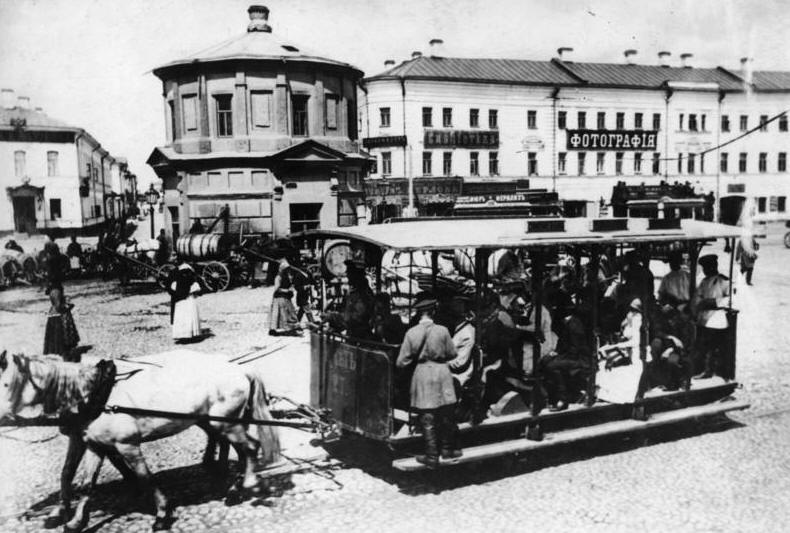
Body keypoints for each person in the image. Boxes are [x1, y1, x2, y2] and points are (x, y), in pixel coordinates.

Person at [396, 297, 461, 467]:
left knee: (428, 417)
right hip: (442, 373)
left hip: (423, 374)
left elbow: (401, 362)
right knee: (446, 413)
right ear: (433, 312)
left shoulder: (411, 333)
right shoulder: (443, 331)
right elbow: (452, 354)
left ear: (418, 313)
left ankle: (431, 455)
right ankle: (447, 450)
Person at [540, 302, 592, 411]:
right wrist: (556, 353)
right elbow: (563, 344)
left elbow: (575, 349)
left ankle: (563, 399)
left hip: (580, 360)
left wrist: (559, 356)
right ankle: (551, 396)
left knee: (552, 366)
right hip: (571, 356)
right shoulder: (568, 323)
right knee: (545, 361)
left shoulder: (574, 325)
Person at [690, 254, 730, 379]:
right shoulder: (704, 282)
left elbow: (731, 299)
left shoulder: (723, 281)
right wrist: (696, 308)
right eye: (704, 267)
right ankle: (701, 369)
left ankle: (708, 371)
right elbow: (697, 299)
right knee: (701, 346)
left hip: (716, 319)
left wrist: (714, 302)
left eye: (707, 267)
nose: (705, 270)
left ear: (714, 266)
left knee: (710, 347)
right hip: (703, 318)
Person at [169, 263, 202, 342]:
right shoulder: (191, 280)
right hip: (188, 299)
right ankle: (191, 333)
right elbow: (197, 288)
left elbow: (173, 288)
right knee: (189, 316)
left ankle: (183, 334)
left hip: (181, 301)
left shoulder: (177, 280)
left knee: (182, 316)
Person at [268, 259, 300, 336]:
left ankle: (289, 327)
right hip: (280, 297)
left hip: (286, 297)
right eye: (286, 269)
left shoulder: (287, 277)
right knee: (283, 313)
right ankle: (285, 329)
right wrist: (286, 290)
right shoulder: (278, 277)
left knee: (287, 312)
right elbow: (277, 289)